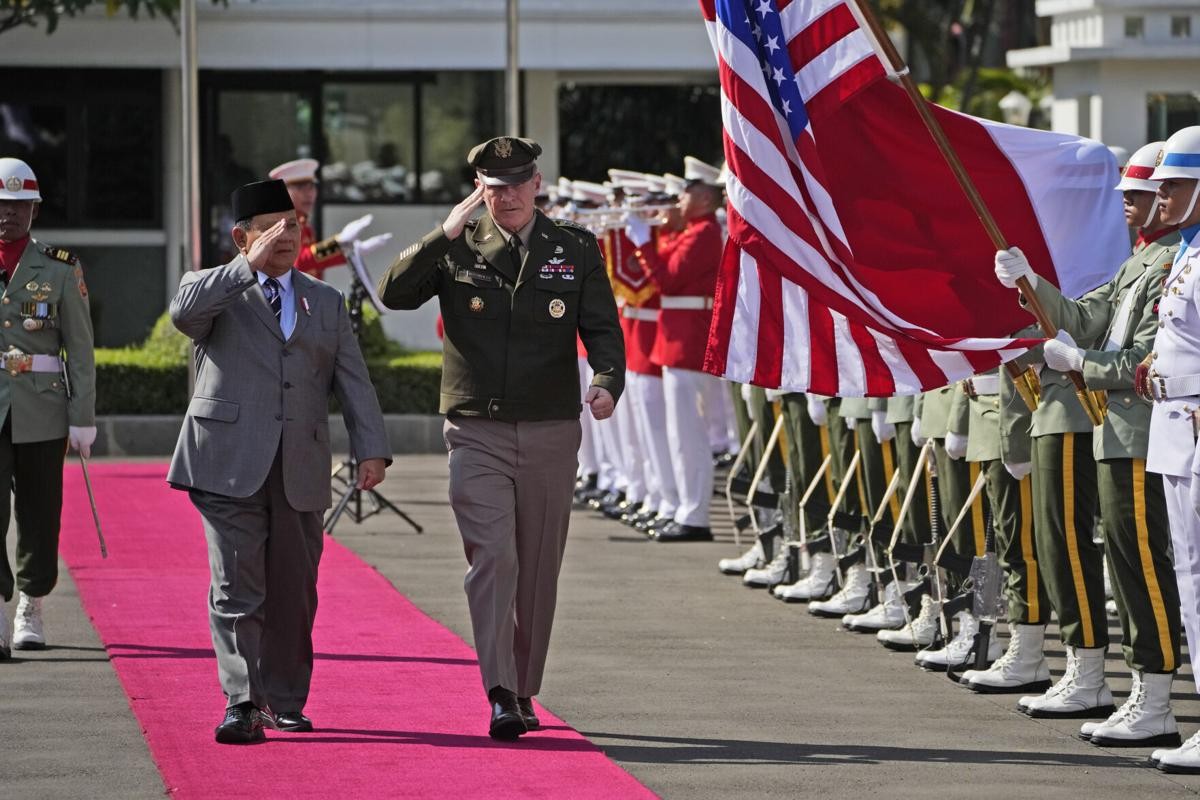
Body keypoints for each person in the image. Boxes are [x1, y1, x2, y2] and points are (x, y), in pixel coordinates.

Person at [377, 137, 625, 740]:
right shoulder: (457, 245)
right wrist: (443, 233)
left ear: (537, 183)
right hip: (477, 428)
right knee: (494, 558)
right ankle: (499, 690)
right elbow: (394, 292)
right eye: (494, 187)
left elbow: (603, 329)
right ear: (478, 189)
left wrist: (606, 382)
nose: (507, 196)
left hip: (549, 428)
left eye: (517, 184)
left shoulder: (573, 247)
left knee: (537, 569)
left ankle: (522, 687)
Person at [167, 178, 391, 744]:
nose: (285, 236)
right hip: (227, 462)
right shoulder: (213, 289)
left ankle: (285, 700)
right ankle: (243, 702)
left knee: (294, 590)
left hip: (300, 465)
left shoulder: (324, 301)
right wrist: (246, 267)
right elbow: (183, 314)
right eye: (270, 228)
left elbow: (353, 381)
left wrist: (371, 447)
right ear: (241, 237)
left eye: (291, 225)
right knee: (237, 585)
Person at [997, 140, 1183, 747]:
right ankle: (1144, 692)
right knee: (1127, 565)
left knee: (1144, 565)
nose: (1132, 203)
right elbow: (1083, 318)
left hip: (1145, 431)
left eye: (1147, 193)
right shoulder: (1140, 261)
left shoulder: (1174, 263)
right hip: (1118, 433)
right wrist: (1031, 283)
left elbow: (1146, 357)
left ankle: (1156, 696)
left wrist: (1085, 365)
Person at [0, 157, 96, 659]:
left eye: (18, 205)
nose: (7, 213)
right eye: (1, 204)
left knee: (39, 512)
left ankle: (31, 604)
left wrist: (82, 418)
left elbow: (79, 349)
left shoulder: (59, 267)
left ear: (34, 209)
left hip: (41, 408)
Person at [1136, 125, 1200, 772]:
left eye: (1175, 185)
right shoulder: (1187, 251)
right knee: (1190, 576)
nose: (1162, 197)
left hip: (1197, 430)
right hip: (1176, 428)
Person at [624, 156, 724, 542]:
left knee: (689, 435)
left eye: (687, 191)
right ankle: (685, 508)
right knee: (678, 433)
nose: (680, 197)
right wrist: (652, 236)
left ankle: (695, 515)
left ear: (704, 198)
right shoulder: (691, 231)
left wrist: (642, 241)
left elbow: (666, 280)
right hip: (676, 339)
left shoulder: (704, 233)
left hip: (688, 341)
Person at [268, 158, 391, 281]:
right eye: (301, 188)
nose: (309, 194)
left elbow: (314, 262)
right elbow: (297, 263)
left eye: (311, 187)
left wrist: (349, 252)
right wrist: (337, 242)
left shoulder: (302, 222)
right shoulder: (279, 224)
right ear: (282, 192)